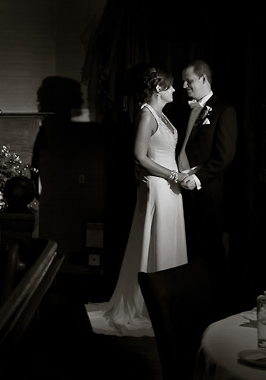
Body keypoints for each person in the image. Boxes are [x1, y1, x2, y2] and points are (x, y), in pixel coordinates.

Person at [87, 66, 188, 336]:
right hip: (158, 186)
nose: (175, 90)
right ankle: (152, 305)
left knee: (168, 239)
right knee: (156, 239)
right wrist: (173, 175)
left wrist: (183, 174)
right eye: (170, 86)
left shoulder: (161, 116)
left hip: (170, 186)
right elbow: (140, 156)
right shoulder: (146, 114)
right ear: (158, 89)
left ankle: (168, 302)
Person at [177, 59, 237, 311]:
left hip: (207, 191)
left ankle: (219, 306)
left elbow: (224, 156)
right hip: (182, 190)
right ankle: (192, 302)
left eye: (188, 81)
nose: (184, 86)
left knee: (211, 250)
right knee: (189, 247)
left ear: (203, 79)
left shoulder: (224, 110)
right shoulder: (183, 110)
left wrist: (198, 179)